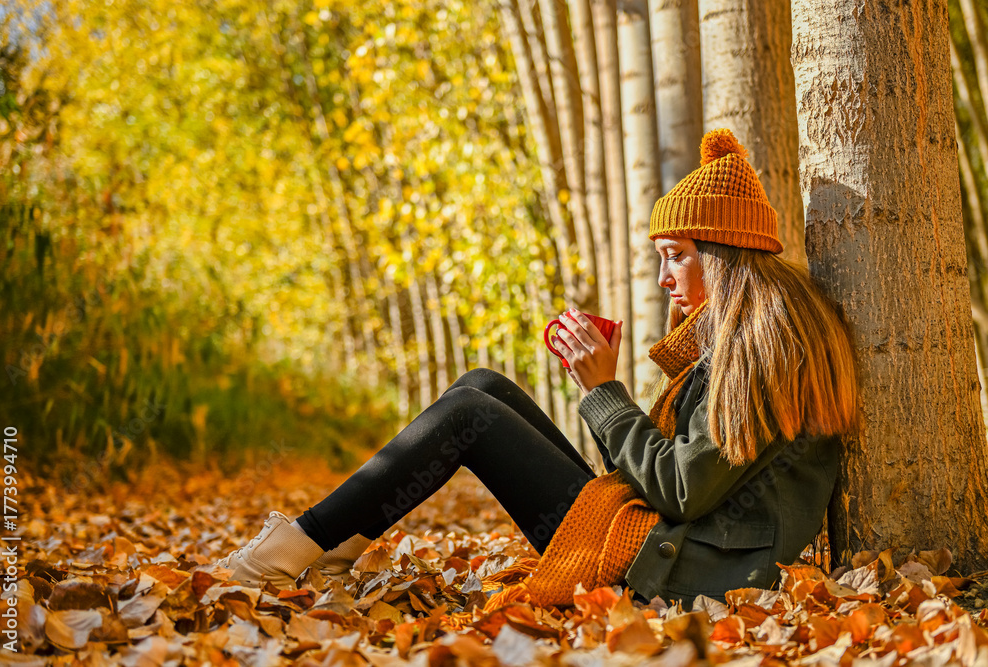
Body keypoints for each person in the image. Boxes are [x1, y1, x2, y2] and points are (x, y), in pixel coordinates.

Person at [216, 128, 859, 606]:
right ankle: (331, 548)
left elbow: (681, 492)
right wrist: (605, 396)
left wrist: (605, 391)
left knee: (470, 415)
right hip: (670, 540)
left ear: (724, 254)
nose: (665, 278)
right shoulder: (757, 329)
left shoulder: (764, 348)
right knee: (483, 387)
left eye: (678, 256)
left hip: (683, 568)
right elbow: (677, 477)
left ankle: (288, 551)